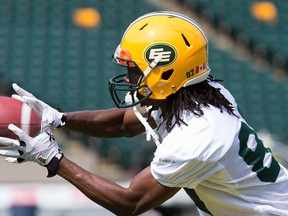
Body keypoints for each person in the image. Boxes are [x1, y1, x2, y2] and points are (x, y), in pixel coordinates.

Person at [0, 11, 287, 216]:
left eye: (134, 68)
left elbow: (130, 203)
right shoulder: (193, 94)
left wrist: (52, 159)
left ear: (166, 70)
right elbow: (124, 124)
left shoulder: (199, 136)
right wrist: (60, 118)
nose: (127, 77)